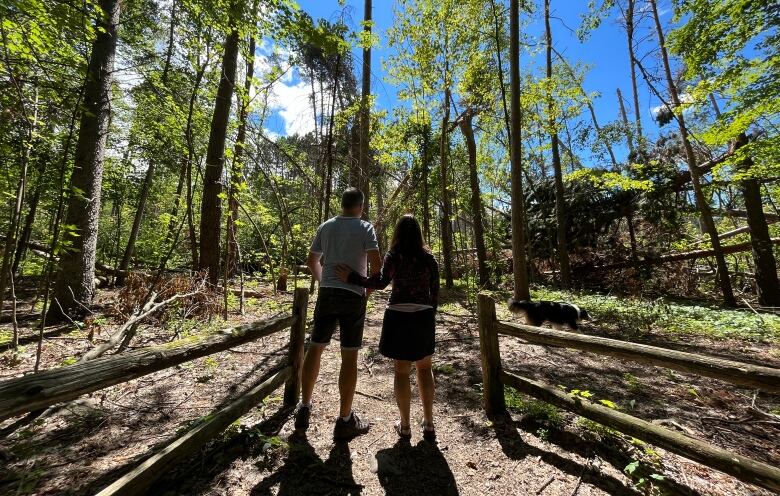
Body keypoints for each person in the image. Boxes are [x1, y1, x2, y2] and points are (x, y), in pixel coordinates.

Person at [336, 214, 440, 441]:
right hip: (423, 317)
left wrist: (352, 277)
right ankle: (429, 423)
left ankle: (404, 426)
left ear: (398, 234)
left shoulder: (394, 256)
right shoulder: (429, 259)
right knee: (424, 368)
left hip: (398, 317)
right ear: (419, 233)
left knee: (402, 372)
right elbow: (435, 294)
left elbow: (381, 283)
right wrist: (428, 315)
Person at [295, 188, 381, 440]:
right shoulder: (365, 228)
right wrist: (366, 290)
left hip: (328, 293)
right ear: (361, 206)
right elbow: (377, 267)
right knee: (349, 355)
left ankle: (305, 406)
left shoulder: (326, 227)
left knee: (316, 347)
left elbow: (313, 260)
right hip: (352, 296)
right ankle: (344, 419)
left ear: (342, 205)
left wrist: (324, 282)